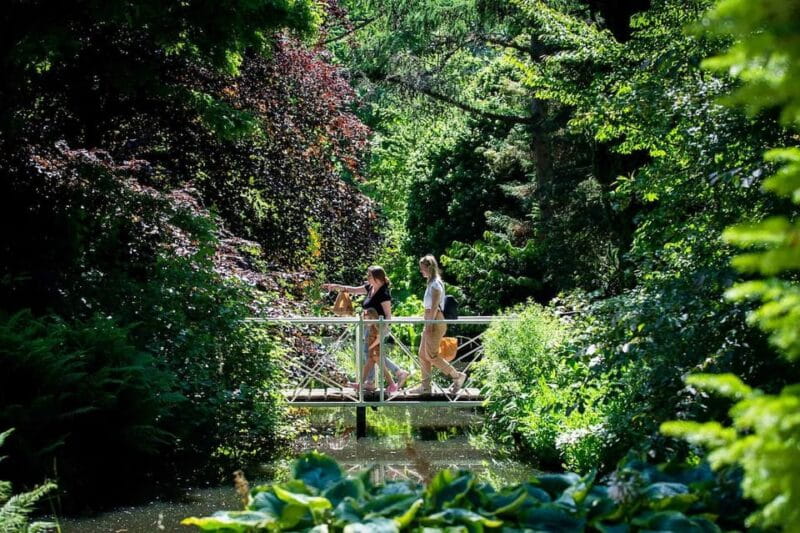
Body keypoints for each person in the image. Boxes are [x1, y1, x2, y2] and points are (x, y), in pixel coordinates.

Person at [322, 266, 410, 391]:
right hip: (369, 327)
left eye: (369, 276)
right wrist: (335, 286)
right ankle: (381, 378)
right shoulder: (370, 288)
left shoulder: (384, 294)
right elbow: (352, 290)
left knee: (372, 354)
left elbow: (388, 315)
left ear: (377, 279)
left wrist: (383, 331)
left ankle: (384, 377)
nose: (367, 278)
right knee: (372, 355)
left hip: (378, 329)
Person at [408, 255, 466, 394]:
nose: (420, 270)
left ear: (429, 267)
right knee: (423, 354)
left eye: (422, 268)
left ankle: (457, 376)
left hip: (434, 321)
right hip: (430, 320)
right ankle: (425, 386)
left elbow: (434, 307)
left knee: (432, 355)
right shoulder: (431, 282)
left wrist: (429, 325)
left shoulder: (435, 284)